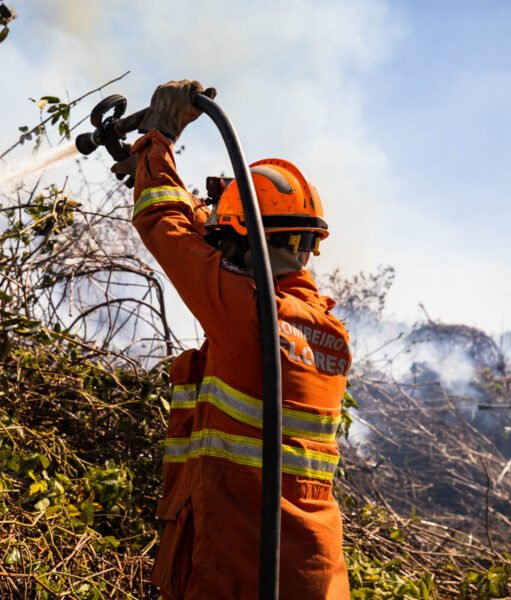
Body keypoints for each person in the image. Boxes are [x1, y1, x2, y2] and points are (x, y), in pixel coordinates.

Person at [117, 80, 352, 598]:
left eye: (228, 236)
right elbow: (220, 249)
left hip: (241, 571)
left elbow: (165, 225)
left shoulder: (249, 317)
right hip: (311, 573)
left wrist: (159, 138)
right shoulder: (326, 332)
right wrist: (205, 208)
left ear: (246, 243)